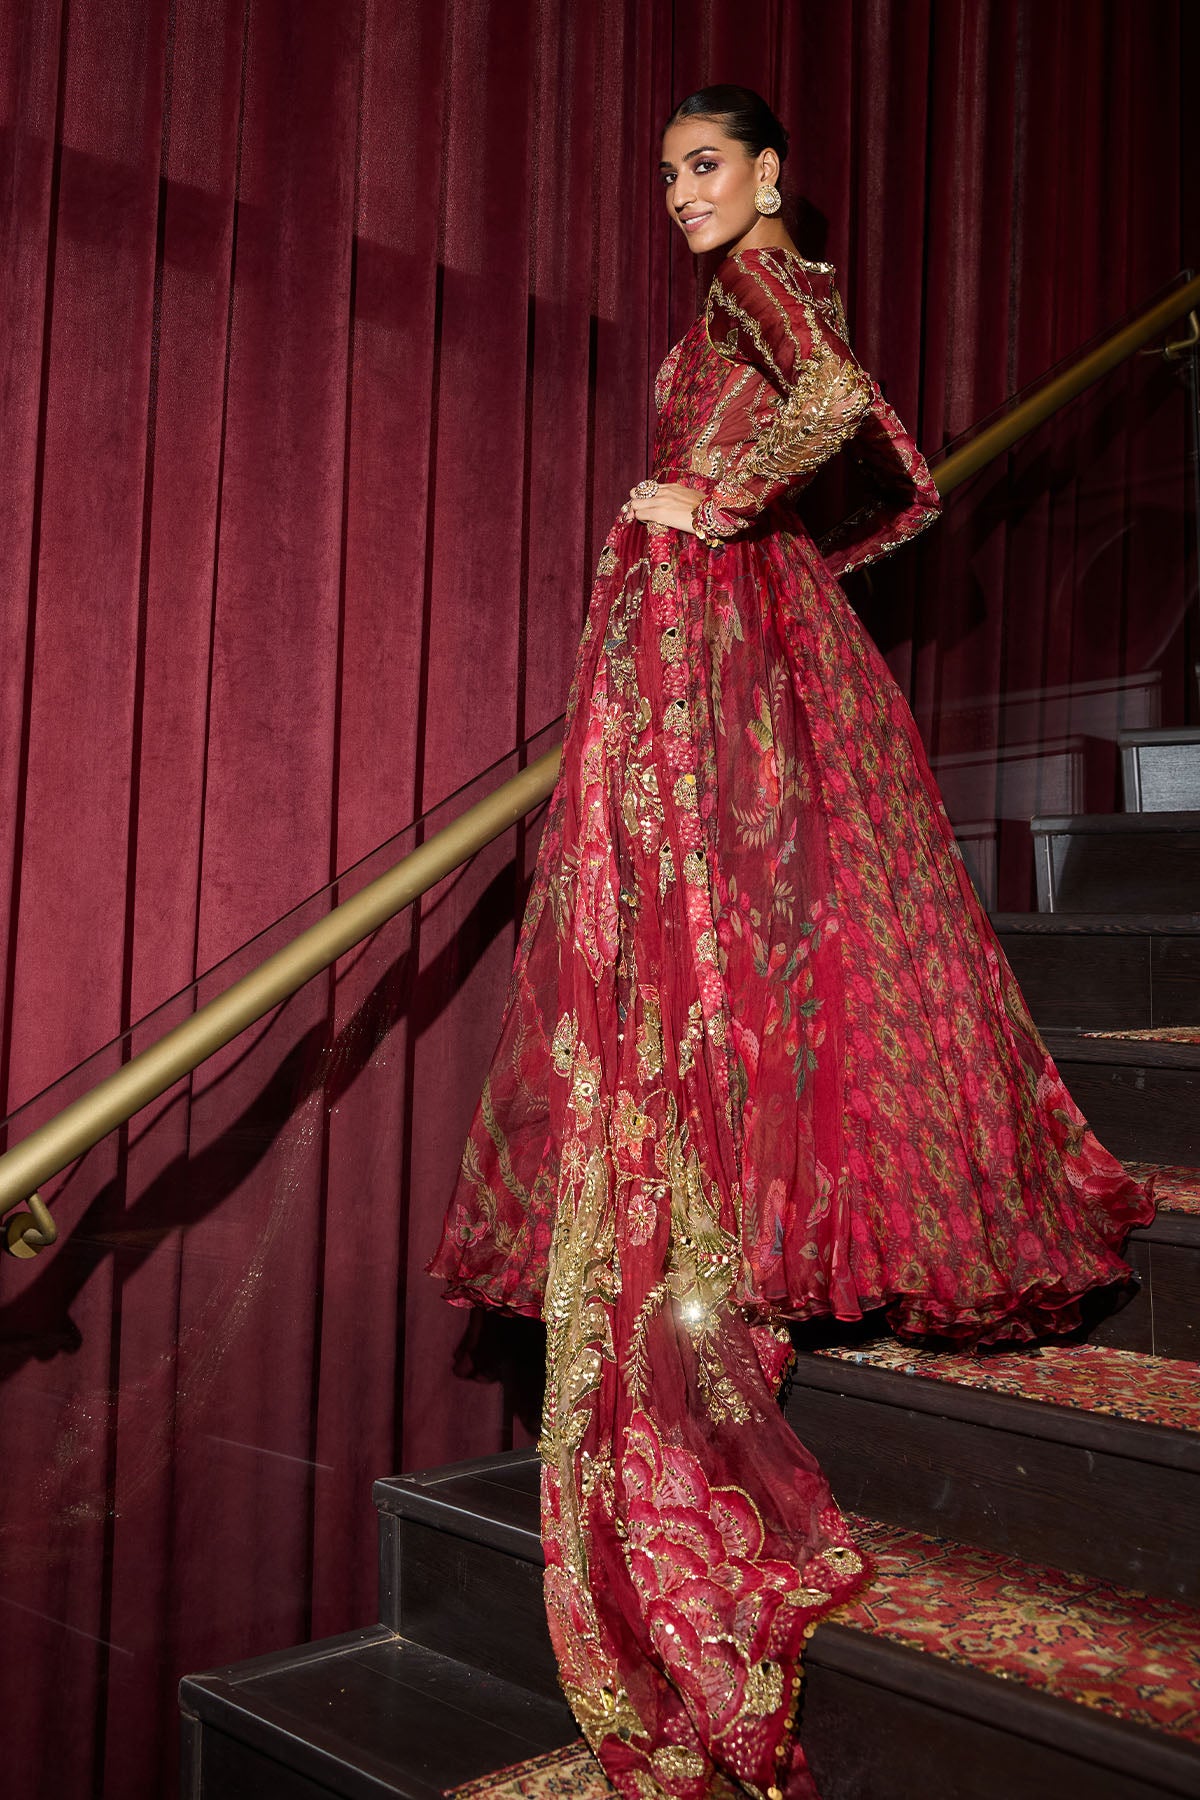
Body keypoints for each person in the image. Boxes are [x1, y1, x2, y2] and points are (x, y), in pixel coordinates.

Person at [429, 85, 1155, 1800]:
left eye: (707, 167)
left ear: (767, 176)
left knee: (733, 925)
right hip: (740, 636)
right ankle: (759, 1215)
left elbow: (837, 401)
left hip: (735, 627)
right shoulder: (742, 290)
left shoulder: (768, 279)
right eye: (668, 174)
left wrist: (713, 498)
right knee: (768, 928)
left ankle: (739, 1229)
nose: (684, 194)